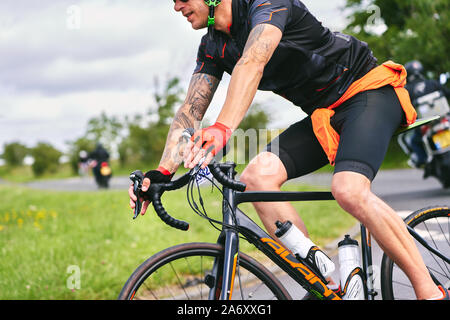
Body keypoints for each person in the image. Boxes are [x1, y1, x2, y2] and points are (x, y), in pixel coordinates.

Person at [129, 0, 448, 300]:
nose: (176, 6)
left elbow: (252, 61)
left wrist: (223, 128)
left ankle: (430, 292)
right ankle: (329, 284)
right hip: (326, 116)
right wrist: (161, 173)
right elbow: (190, 111)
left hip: (368, 92)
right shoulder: (213, 45)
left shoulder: (267, 5)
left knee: (348, 190)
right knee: (256, 178)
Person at [404, 60, 450, 167]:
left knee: (414, 142)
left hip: (424, 125)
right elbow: (447, 93)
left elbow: (405, 108)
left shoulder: (408, 90)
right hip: (444, 119)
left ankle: (422, 160)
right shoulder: (432, 83)